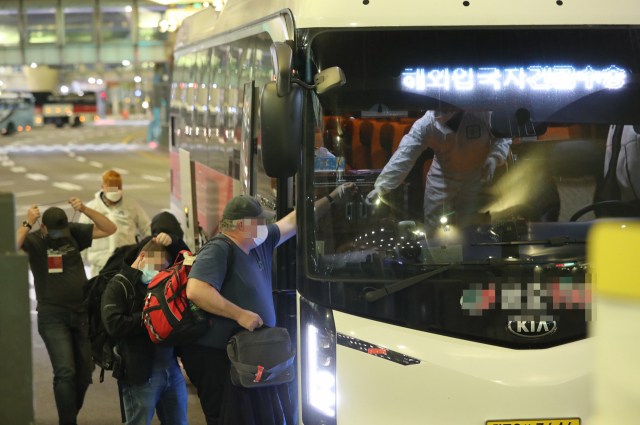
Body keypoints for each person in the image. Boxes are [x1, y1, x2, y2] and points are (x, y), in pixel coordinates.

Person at [182, 189, 355, 425]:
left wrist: (334, 197)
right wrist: (240, 315)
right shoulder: (219, 249)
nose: (266, 225)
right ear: (242, 225)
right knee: (224, 418)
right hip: (217, 359)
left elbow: (293, 221)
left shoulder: (258, 244)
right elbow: (196, 290)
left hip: (244, 358)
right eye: (260, 221)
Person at [17, 198, 117, 425]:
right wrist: (27, 222)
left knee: (84, 375)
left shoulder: (71, 232)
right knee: (65, 373)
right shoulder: (34, 241)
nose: (58, 235)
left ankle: (69, 416)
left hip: (81, 315)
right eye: (54, 232)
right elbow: (11, 247)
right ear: (43, 228)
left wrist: (84, 209)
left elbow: (109, 228)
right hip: (53, 317)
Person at [366, 110, 512, 231]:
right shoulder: (427, 123)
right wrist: (382, 187)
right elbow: (405, 154)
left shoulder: (482, 113)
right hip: (441, 178)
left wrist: (494, 157)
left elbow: (503, 135)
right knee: (433, 228)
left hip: (475, 177)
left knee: (470, 228)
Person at [101, 236, 189, 425]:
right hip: (141, 374)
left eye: (162, 270)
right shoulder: (119, 285)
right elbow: (114, 324)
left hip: (171, 369)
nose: (158, 274)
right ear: (142, 257)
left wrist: (175, 243)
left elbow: (187, 264)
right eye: (156, 268)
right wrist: (152, 317)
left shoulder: (160, 283)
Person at [80, 170, 152, 277]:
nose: (115, 190)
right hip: (100, 267)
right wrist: (79, 269)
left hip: (125, 265)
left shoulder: (131, 206)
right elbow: (82, 238)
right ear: (103, 187)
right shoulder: (91, 209)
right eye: (111, 187)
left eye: (118, 187)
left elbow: (147, 228)